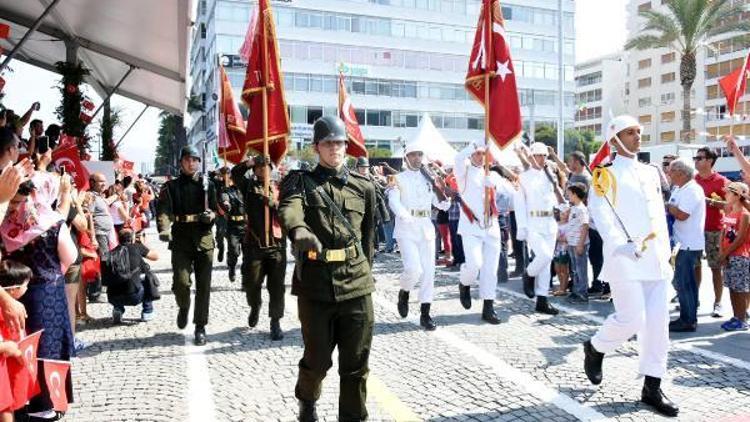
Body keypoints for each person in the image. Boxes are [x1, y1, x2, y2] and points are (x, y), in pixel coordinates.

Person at [278, 116, 376, 421]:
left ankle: (353, 417)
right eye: (328, 142)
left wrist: (365, 273)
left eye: (339, 142)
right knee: (318, 361)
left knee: (356, 364)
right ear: (316, 147)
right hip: (316, 285)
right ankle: (307, 400)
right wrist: (299, 230)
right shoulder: (301, 182)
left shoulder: (365, 187)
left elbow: (369, 238)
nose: (335, 148)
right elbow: (288, 209)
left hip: (356, 283)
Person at [582, 115, 678, 417]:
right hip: (624, 256)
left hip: (656, 258)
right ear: (615, 139)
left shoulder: (650, 171)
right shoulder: (605, 173)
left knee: (658, 326)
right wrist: (618, 243)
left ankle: (652, 386)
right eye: (630, 132)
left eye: (639, 132)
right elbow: (600, 211)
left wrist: (666, 252)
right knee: (632, 318)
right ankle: (596, 347)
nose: (638, 137)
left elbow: (657, 215)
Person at [0, 180, 78, 420]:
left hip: (13, 294)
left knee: (25, 345)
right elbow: (70, 256)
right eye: (11, 202)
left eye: (16, 201)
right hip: (47, 292)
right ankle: (48, 402)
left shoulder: (3, 225)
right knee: (46, 347)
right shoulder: (52, 222)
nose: (14, 208)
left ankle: (22, 401)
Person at [157, 145, 218, 346]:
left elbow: (217, 209)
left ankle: (200, 326)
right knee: (181, 283)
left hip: (204, 239)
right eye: (187, 160)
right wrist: (164, 229)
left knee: (204, 287)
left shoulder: (207, 184)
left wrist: (212, 215)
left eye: (195, 160)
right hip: (181, 239)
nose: (191, 163)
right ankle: (183, 306)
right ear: (181, 162)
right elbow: (164, 210)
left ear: (199, 162)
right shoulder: (171, 187)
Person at [387, 141, 450, 330]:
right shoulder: (396, 178)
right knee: (414, 270)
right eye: (413, 155)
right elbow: (393, 202)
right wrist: (404, 215)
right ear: (406, 158)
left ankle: (425, 312)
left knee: (429, 272)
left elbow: (440, 203)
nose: (417, 158)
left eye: (419, 155)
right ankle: (404, 291)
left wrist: (445, 199)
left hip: (426, 228)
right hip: (407, 229)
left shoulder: (428, 179)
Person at [454, 139, 514, 324]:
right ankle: (464, 283)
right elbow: (458, 158)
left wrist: (495, 183)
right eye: (477, 153)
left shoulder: (491, 174)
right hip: (471, 225)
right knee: (474, 264)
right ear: (472, 154)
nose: (480, 157)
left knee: (490, 269)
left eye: (482, 153)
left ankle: (488, 306)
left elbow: (511, 190)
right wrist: (476, 144)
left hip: (492, 224)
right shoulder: (463, 172)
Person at [231, 155, 286, 341]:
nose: (263, 170)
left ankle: (275, 322)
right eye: (259, 167)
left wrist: (274, 204)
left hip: (277, 246)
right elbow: (235, 173)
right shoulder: (248, 187)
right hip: (254, 245)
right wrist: (250, 161)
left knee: (277, 287)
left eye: (266, 167)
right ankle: (255, 306)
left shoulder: (281, 188)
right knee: (251, 284)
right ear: (255, 170)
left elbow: (290, 212)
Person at [514, 142, 562, 315]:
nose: (542, 159)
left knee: (547, 262)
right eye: (539, 155)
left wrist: (560, 207)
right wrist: (522, 227)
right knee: (544, 256)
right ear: (531, 157)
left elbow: (553, 197)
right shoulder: (523, 177)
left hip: (549, 222)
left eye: (544, 156)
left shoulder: (550, 175)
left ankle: (542, 299)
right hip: (532, 222)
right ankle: (528, 274)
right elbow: (519, 204)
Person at [666, 158, 706, 332]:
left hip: (689, 244)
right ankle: (686, 316)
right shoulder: (679, 188)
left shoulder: (692, 190)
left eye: (672, 170)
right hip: (681, 243)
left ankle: (688, 319)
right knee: (683, 282)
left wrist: (669, 208)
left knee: (685, 283)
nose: (669, 173)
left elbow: (682, 215)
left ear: (682, 173)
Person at [692, 146, 729, 318]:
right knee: (695, 266)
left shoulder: (722, 181)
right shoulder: (692, 180)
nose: (696, 161)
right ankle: (694, 300)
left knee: (715, 268)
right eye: (696, 158)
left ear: (709, 161)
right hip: (695, 230)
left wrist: (710, 202)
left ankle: (718, 303)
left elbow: (730, 205)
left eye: (699, 158)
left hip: (714, 229)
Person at [108, 229, 159, 323]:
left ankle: (117, 309)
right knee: (148, 277)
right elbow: (155, 256)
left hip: (113, 297)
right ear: (132, 238)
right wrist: (143, 244)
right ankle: (147, 312)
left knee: (116, 279)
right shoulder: (137, 247)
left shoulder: (111, 253)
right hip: (134, 295)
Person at [717, 182, 750, 331]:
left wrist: (725, 253)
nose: (725, 195)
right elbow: (723, 232)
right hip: (728, 255)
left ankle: (742, 319)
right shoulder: (729, 212)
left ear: (737, 195)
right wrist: (720, 252)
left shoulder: (744, 214)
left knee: (740, 289)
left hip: (739, 256)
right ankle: (736, 316)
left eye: (729, 193)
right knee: (731, 287)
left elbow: (741, 238)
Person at [218, 170, 245, 282]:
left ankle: (245, 279)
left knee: (248, 254)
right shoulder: (227, 190)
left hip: (246, 225)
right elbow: (225, 199)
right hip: (233, 225)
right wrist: (226, 204)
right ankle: (232, 267)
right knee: (234, 251)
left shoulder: (246, 190)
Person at [566, 183, 590, 303]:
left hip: (578, 244)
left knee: (581, 268)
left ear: (575, 194)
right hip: (572, 243)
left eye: (569, 194)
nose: (568, 196)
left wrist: (581, 244)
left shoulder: (581, 209)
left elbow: (585, 225)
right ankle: (576, 291)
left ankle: (583, 293)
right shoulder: (574, 208)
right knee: (574, 269)